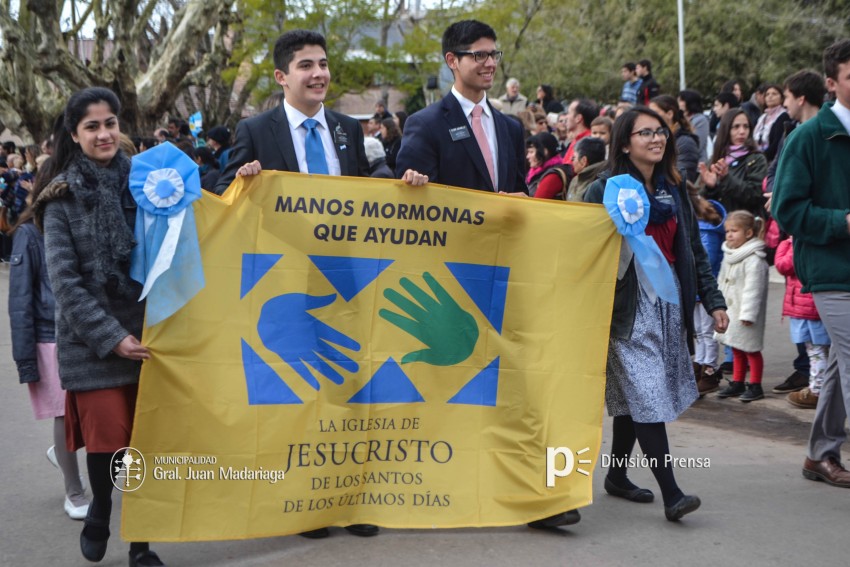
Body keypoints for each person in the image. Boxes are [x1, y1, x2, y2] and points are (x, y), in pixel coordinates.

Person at [31, 87, 166, 566]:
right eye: (92, 126)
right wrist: (113, 338)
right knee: (109, 442)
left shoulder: (150, 184)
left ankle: (141, 541)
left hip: (151, 338)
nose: (105, 133)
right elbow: (65, 286)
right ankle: (101, 509)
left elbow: (189, 237)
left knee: (144, 444)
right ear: (74, 134)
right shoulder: (59, 199)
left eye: (110, 123)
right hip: (93, 345)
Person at [584, 106, 728, 521]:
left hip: (668, 302)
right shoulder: (604, 188)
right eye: (644, 133)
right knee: (647, 392)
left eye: (660, 131)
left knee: (635, 396)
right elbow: (583, 245)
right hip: (626, 307)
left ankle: (616, 476)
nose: (656, 138)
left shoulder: (674, 188)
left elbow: (693, 250)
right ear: (625, 143)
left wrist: (713, 300)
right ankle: (672, 493)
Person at [772, 38, 850, 489]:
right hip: (829, 271)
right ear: (830, 83)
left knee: (840, 366)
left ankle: (819, 455)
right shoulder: (807, 138)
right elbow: (788, 210)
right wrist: (843, 223)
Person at [215, 30, 418, 194]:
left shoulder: (349, 128)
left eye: (323, 64)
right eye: (306, 66)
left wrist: (405, 188)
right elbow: (222, 192)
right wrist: (243, 184)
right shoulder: (254, 131)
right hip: (279, 244)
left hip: (341, 243)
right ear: (281, 77)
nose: (318, 73)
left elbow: (363, 191)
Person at [8, 161, 90, 521]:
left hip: (85, 329)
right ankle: (74, 490)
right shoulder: (28, 234)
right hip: (48, 336)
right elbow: (20, 300)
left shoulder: (84, 220)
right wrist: (26, 359)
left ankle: (63, 453)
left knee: (88, 411)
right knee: (64, 411)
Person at [395, 20, 526, 195]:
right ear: (452, 60)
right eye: (480, 55)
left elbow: (520, 191)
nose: (491, 64)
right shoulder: (425, 125)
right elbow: (412, 202)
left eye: (493, 55)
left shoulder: (512, 128)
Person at [764, 70, 827, 396]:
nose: (783, 102)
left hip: (819, 238)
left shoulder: (818, 135)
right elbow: (778, 175)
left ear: (800, 98)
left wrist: (786, 201)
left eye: (786, 96)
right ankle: (810, 374)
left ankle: (817, 382)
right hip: (801, 234)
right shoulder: (795, 134)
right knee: (806, 314)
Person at [714, 211, 769, 402]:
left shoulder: (754, 259)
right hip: (731, 311)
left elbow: (754, 289)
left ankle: (755, 385)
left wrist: (748, 314)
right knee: (736, 347)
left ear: (748, 233)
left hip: (745, 313)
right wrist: (717, 305)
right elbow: (721, 281)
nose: (729, 235)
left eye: (734, 231)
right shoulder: (730, 254)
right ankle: (737, 382)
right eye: (727, 231)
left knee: (751, 349)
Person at [774, 237, 830, 409]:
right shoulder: (796, 243)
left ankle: (817, 391)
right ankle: (821, 387)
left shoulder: (801, 243)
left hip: (810, 308)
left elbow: (786, 265)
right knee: (818, 351)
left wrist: (791, 244)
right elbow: (782, 266)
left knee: (817, 351)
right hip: (806, 307)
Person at [688, 185, 726, 395]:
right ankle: (699, 363)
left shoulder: (706, 230)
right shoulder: (698, 227)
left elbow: (707, 261)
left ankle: (709, 369)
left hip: (704, 288)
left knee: (706, 331)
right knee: (698, 331)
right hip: (695, 288)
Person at [699, 108, 767, 217]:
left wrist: (727, 179)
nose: (742, 131)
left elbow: (756, 195)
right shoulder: (715, 159)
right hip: (718, 226)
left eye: (746, 126)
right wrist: (710, 188)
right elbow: (699, 200)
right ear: (726, 129)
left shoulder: (756, 159)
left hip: (745, 226)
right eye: (736, 127)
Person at [650, 95, 700, 182]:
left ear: (669, 114)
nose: (650, 117)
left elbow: (683, 178)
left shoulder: (685, 142)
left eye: (654, 113)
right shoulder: (657, 139)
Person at [752, 83, 790, 163]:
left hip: (772, 160)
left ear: (782, 98)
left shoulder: (784, 116)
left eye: (774, 94)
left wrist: (761, 158)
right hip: (758, 156)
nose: (770, 96)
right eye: (767, 94)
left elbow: (777, 143)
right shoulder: (762, 117)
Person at [564, 136, 606, 202]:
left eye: (573, 158)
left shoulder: (599, 184)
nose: (571, 161)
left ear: (584, 161)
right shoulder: (576, 179)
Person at [524, 132, 561, 196]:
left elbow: (537, 203)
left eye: (531, 152)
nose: (527, 156)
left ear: (544, 152)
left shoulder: (553, 176)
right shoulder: (534, 172)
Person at [678, 89, 709, 163]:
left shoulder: (701, 120)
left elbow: (697, 144)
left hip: (697, 165)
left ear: (688, 102)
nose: (678, 103)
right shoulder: (680, 118)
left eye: (680, 101)